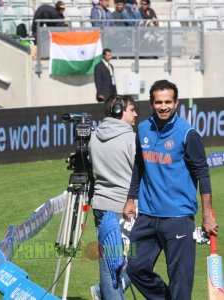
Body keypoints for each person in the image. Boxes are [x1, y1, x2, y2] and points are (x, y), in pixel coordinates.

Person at [123, 79, 219, 300]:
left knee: (180, 281)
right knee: (135, 268)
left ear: (176, 103)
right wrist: (131, 198)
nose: (163, 106)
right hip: (147, 216)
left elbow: (202, 174)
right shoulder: (143, 128)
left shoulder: (188, 134)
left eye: (168, 102)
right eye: (158, 102)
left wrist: (207, 215)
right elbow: (139, 165)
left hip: (178, 218)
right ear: (151, 103)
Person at [89, 94, 138, 300]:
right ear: (119, 111)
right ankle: (104, 291)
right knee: (125, 265)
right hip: (123, 208)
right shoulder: (131, 138)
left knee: (111, 263)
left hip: (101, 206)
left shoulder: (92, 136)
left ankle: (103, 291)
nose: (135, 114)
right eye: (131, 109)